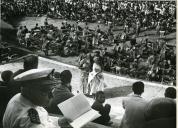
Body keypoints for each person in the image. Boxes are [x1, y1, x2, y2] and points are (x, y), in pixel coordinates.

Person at [3, 68, 72, 128]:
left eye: (51, 91)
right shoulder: (29, 120)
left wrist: (58, 122)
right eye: (46, 92)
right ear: (30, 91)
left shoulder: (19, 97)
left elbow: (43, 122)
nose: (52, 96)